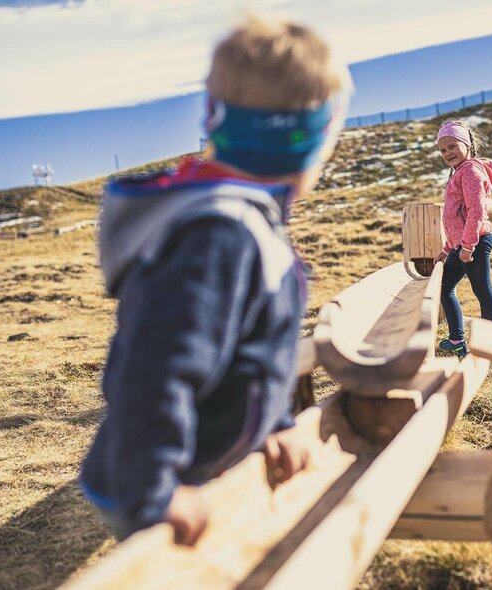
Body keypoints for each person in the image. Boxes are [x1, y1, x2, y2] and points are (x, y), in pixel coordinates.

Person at [79, 16, 351, 546]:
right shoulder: (219, 235)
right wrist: (155, 491)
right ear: (312, 141)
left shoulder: (242, 222)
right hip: (159, 482)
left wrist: (275, 424)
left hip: (201, 468)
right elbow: (156, 367)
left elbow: (249, 352)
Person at [433, 120, 492, 359]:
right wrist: (448, 248)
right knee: (444, 287)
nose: (447, 153)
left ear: (468, 144)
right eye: (443, 150)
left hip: (475, 243)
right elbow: (455, 216)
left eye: (452, 146)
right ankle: (457, 340)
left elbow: (477, 211)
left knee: (482, 290)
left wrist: (468, 246)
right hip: (461, 245)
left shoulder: (470, 171)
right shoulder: (458, 172)